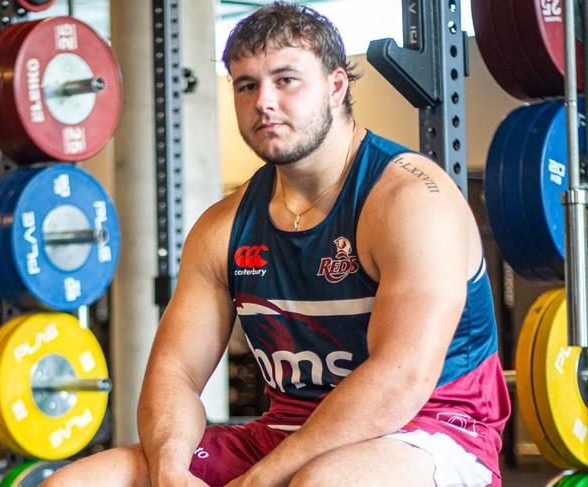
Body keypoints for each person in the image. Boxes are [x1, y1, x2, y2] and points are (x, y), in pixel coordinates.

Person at [44, 2, 510, 486]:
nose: (263, 101)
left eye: (286, 80)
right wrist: (169, 471)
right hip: (286, 435)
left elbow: (401, 380)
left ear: (336, 86)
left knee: (322, 484)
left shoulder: (409, 200)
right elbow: (175, 373)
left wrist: (264, 479)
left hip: (431, 433)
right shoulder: (222, 227)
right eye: (247, 85)